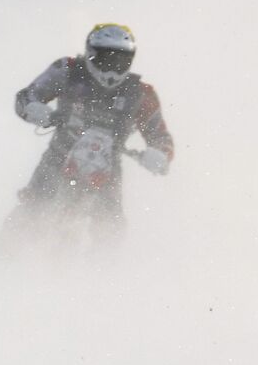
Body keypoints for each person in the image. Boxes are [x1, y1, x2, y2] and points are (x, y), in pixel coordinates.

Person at [9, 24, 174, 230]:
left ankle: (105, 262)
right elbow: (26, 96)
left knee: (109, 230)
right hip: (57, 159)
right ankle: (2, 257)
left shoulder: (140, 93)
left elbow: (161, 137)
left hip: (107, 172)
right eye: (106, 60)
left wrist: (160, 156)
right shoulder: (67, 71)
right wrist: (33, 108)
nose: (112, 69)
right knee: (26, 215)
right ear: (91, 54)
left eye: (120, 61)